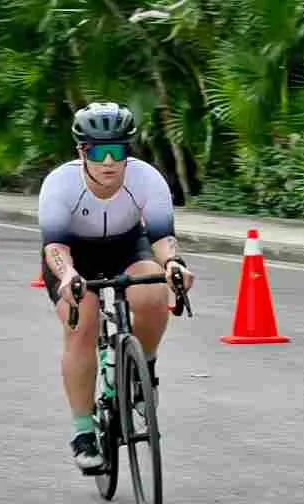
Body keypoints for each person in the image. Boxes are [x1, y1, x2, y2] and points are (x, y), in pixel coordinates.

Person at [37, 101, 195, 472]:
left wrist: (174, 264)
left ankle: (145, 372)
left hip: (128, 245)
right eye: (98, 151)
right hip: (75, 256)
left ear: (128, 151)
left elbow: (161, 238)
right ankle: (82, 431)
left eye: (118, 151)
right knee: (82, 326)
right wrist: (68, 276)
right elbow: (56, 248)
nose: (109, 161)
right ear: (81, 151)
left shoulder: (147, 179)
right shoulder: (59, 184)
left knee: (154, 293)